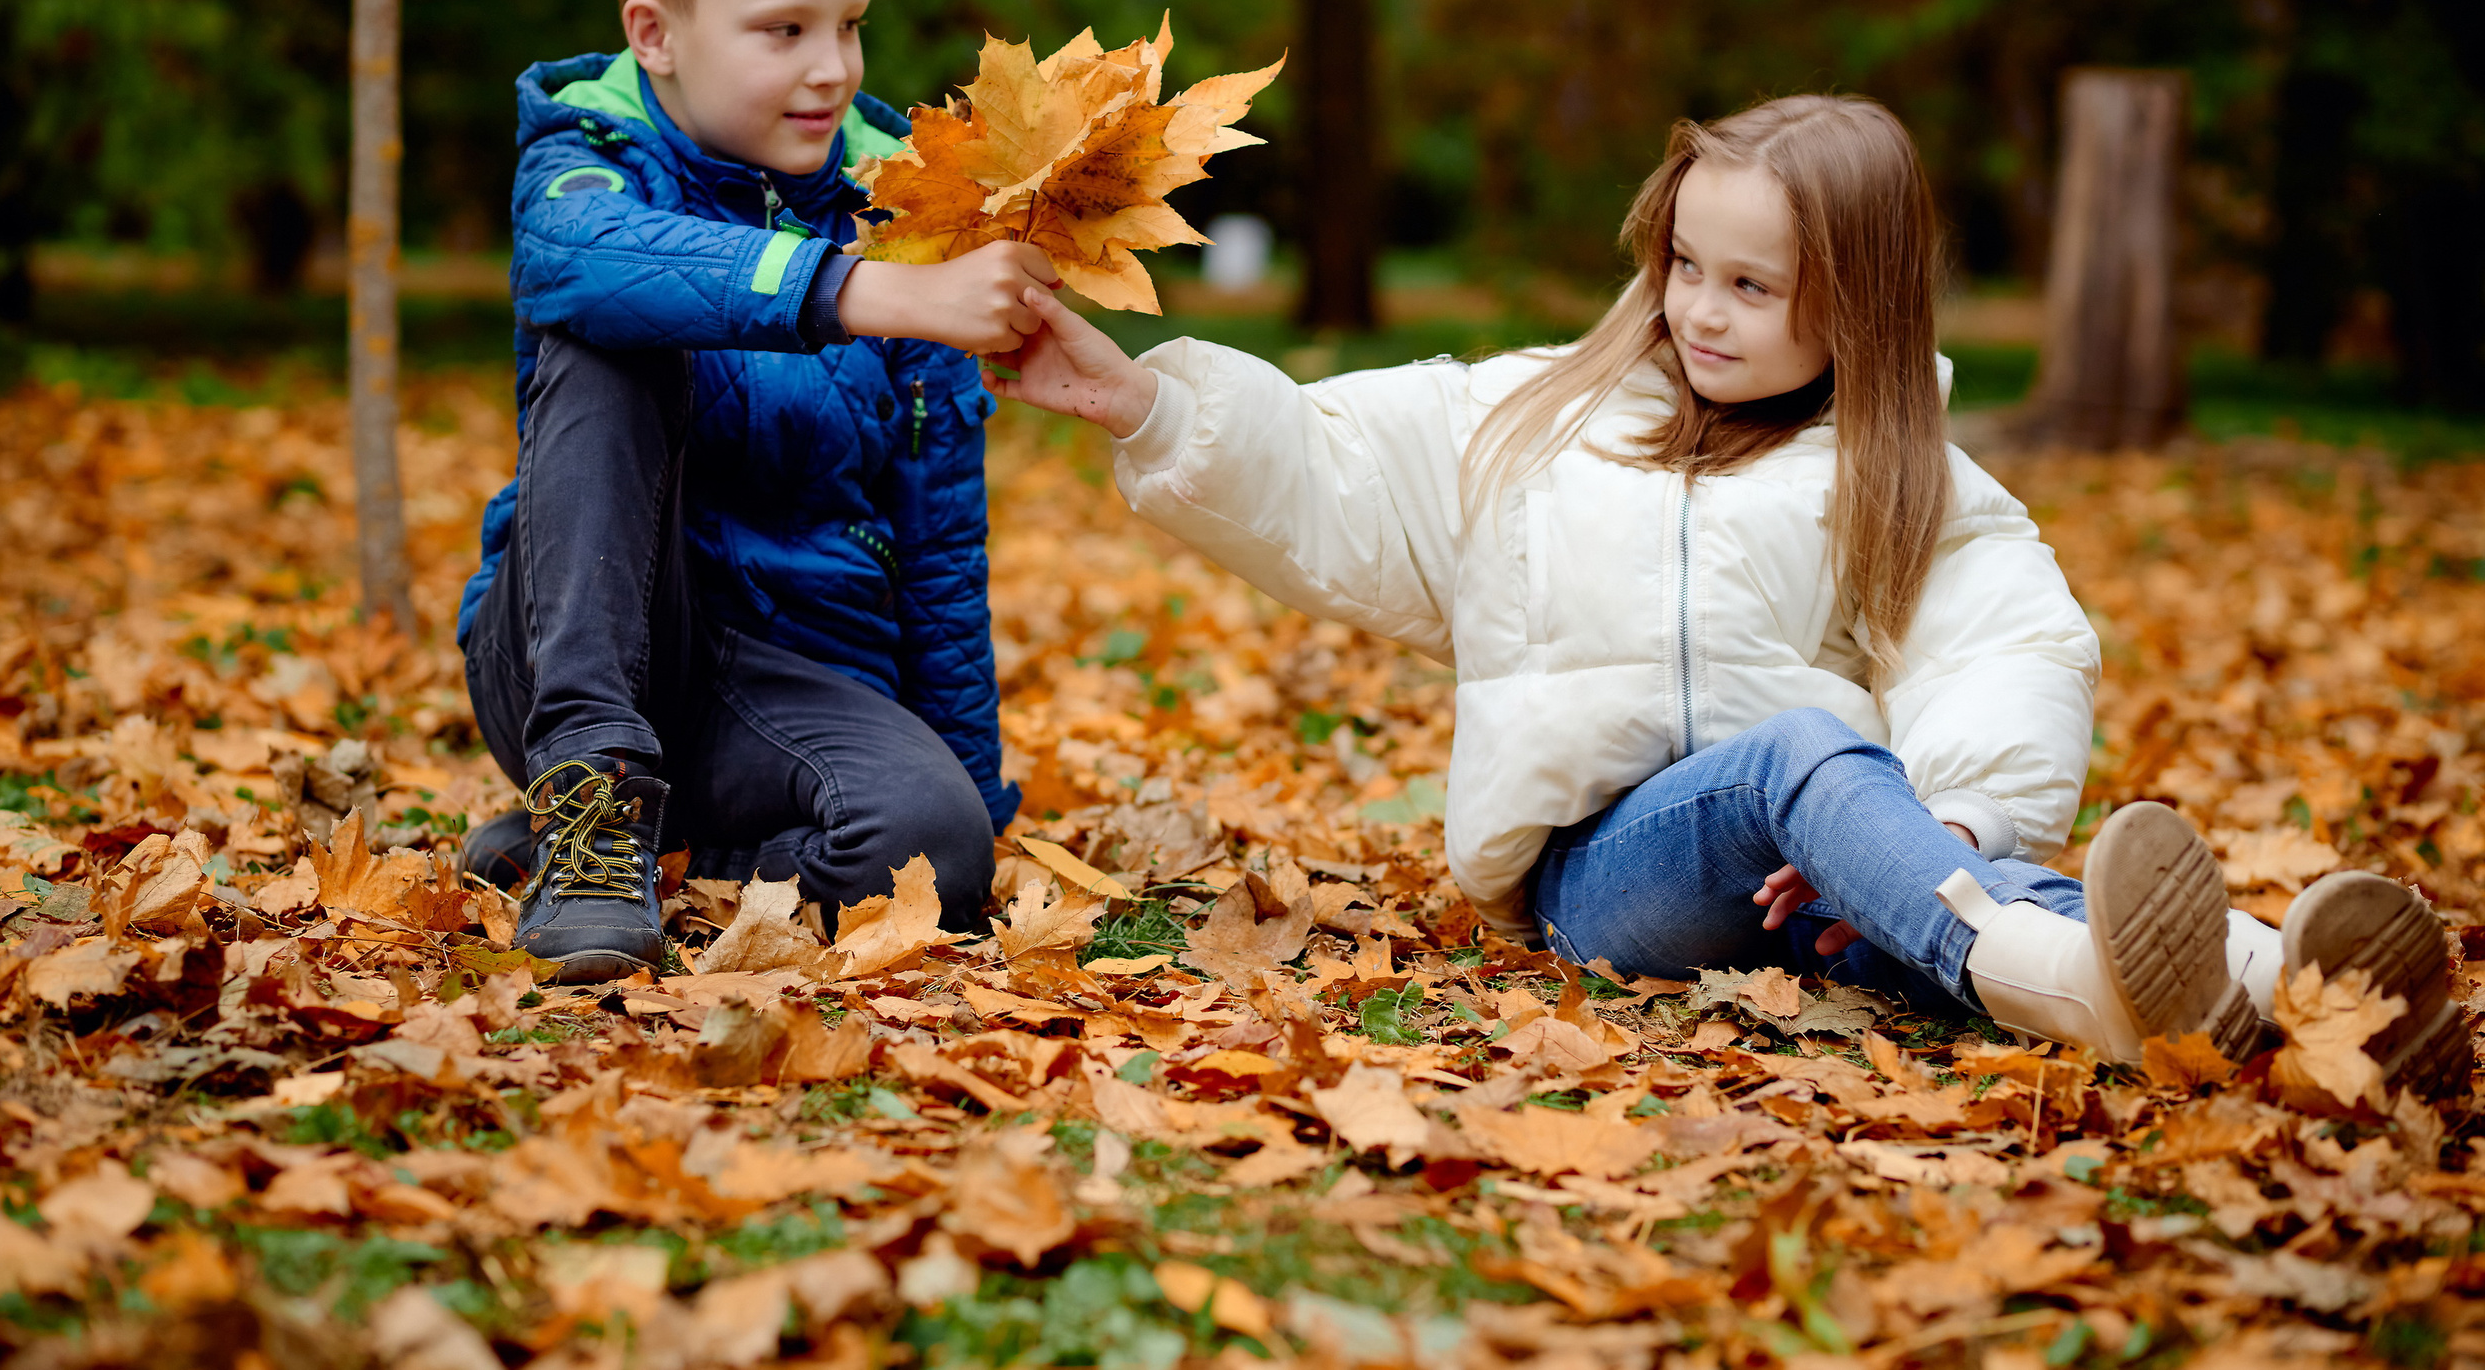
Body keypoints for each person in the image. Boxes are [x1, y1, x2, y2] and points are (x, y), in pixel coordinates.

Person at [987, 94, 2461, 1089]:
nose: (1701, 307)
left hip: (1824, 884)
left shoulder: (1902, 474)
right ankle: (2092, 978)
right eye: (1689, 264)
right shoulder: (1538, 419)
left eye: (1752, 286)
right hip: (1613, 881)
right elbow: (1324, 468)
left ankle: (2288, 989)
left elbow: (2007, 643)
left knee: (1896, 815)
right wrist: (1137, 402)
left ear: (1858, 301)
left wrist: (1952, 816)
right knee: (1808, 758)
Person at [455, 0, 1056, 981]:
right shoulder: (589, 153)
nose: (831, 67)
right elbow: (578, 252)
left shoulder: (905, 199)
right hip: (573, 646)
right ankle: (587, 805)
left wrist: (970, 798)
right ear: (657, 34)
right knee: (616, 319)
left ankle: (649, 845)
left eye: (848, 23)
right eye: (784, 30)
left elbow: (938, 534)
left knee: (930, 850)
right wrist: (864, 292)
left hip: (787, 684)